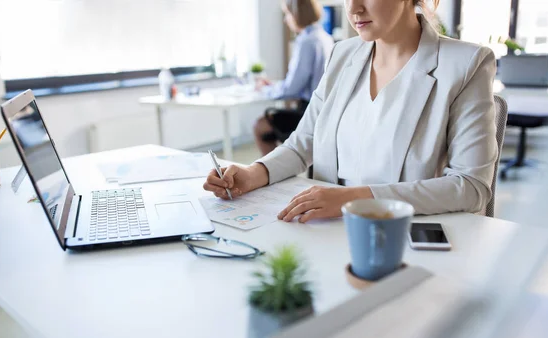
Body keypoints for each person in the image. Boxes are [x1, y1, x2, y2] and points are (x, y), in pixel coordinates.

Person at [205, 0, 498, 222]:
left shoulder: (466, 63)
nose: (354, 8)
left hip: (400, 235)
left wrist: (355, 199)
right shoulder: (343, 53)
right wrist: (255, 172)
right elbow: (302, 143)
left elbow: (472, 187)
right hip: (325, 228)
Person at [254, 0, 334, 156]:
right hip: (324, 111)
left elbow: (292, 88)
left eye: (288, 14)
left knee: (260, 125)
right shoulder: (325, 37)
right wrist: (274, 86)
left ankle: (273, 173)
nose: (286, 20)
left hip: (308, 113)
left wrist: (266, 89)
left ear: (297, 14)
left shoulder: (306, 41)